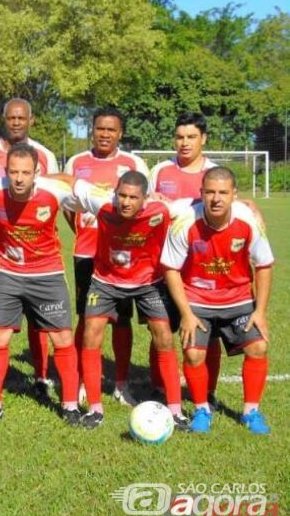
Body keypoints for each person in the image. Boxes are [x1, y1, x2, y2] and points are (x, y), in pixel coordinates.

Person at [68, 171, 188, 430]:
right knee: (91, 333)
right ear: (115, 193)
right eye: (121, 195)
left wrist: (246, 205)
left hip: (148, 283)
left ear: (145, 198)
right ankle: (95, 409)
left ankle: (176, 411)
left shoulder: (163, 210)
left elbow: (197, 206)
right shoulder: (102, 204)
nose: (126, 202)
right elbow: (71, 183)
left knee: (164, 337)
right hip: (105, 281)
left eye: (133, 197)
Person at [0, 143, 80, 424]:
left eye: (25, 172)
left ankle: (69, 405)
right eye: (13, 172)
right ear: (5, 172)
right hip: (8, 274)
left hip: (48, 275)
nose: (19, 178)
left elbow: (93, 195)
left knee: (62, 338)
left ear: (37, 173)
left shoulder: (55, 192)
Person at [161, 167, 273, 434]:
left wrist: (260, 311)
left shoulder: (247, 221)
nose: (216, 198)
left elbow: (264, 265)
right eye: (210, 192)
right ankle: (202, 409)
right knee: (193, 352)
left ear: (234, 194)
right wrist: (186, 313)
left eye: (223, 192)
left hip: (238, 299)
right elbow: (170, 269)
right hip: (197, 300)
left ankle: (251, 412)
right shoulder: (186, 221)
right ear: (201, 193)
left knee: (258, 348)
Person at [0, 98, 59, 398]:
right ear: (4, 118)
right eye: (11, 118)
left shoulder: (45, 155)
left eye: (21, 118)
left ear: (31, 120)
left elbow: (52, 196)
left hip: (37, 255)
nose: (16, 123)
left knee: (40, 318)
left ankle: (42, 374)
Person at [63, 107, 148, 406]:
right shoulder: (76, 162)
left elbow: (142, 207)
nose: (105, 134)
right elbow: (67, 205)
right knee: (87, 319)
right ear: (92, 130)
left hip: (122, 256)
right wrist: (83, 232)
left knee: (121, 320)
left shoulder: (133, 164)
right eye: (100, 128)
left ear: (120, 133)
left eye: (111, 130)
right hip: (87, 252)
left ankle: (121, 383)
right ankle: (84, 381)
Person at [148, 112, 220, 405]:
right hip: (166, 263)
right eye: (180, 137)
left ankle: (209, 391)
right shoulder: (161, 170)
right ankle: (159, 385)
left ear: (203, 139)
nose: (185, 143)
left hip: (203, 265)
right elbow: (148, 205)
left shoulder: (214, 172)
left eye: (191, 137)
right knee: (161, 327)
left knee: (209, 333)